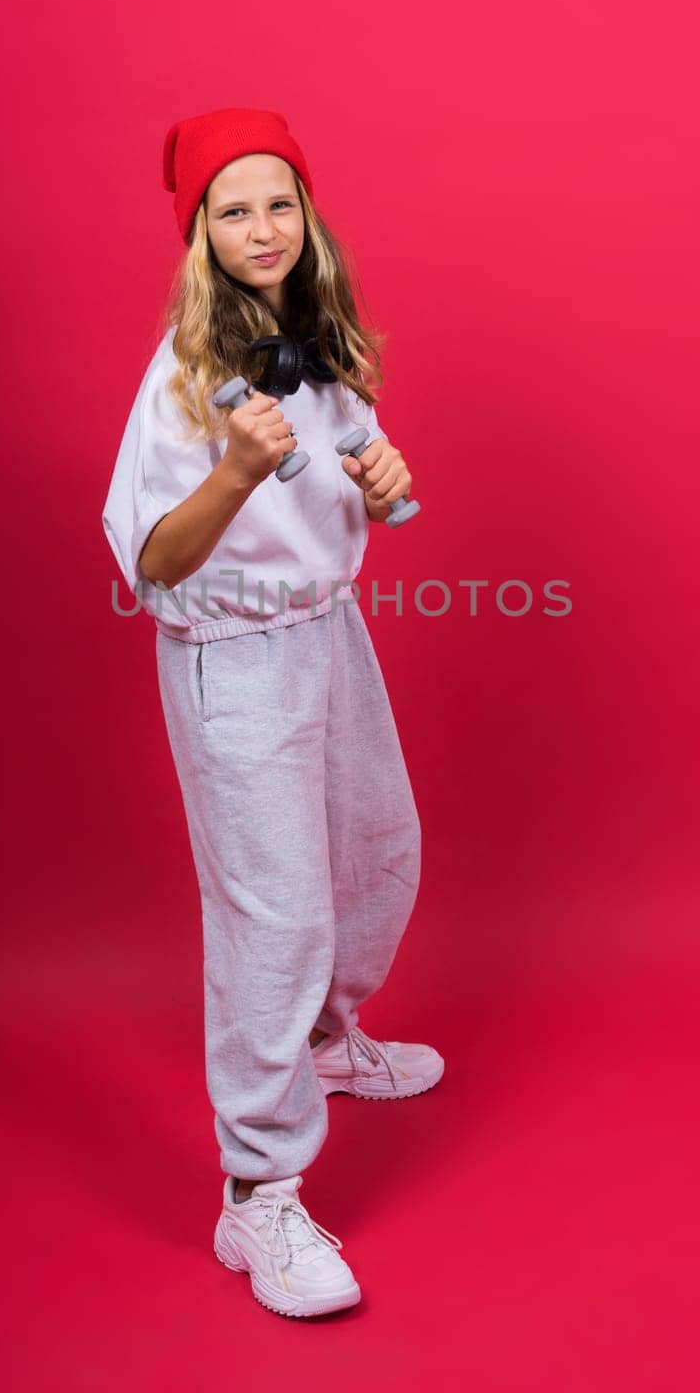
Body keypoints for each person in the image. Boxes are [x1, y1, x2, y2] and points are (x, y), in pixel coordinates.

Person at [102, 107, 443, 1318]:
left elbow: (364, 473)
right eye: (233, 207)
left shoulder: (314, 345)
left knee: (375, 853)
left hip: (327, 636)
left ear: (308, 217)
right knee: (274, 914)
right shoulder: (183, 379)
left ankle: (328, 1040)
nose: (261, 226)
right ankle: (258, 1192)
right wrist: (235, 470)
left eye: (279, 202)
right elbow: (148, 561)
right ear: (200, 231)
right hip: (230, 659)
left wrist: (384, 476)